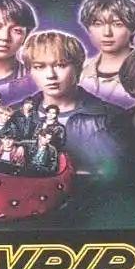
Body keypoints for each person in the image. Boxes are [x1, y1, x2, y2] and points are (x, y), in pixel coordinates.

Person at [19, 30, 118, 173]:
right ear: (30, 71)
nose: (50, 75)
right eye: (39, 67)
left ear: (77, 68)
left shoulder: (111, 118)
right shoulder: (15, 115)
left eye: (60, 65)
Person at [77, 0, 135, 107]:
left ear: (132, 29)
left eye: (117, 24)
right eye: (98, 24)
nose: (107, 33)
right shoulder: (79, 70)